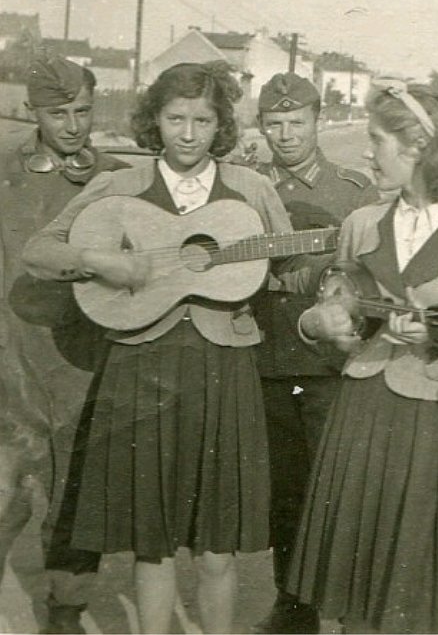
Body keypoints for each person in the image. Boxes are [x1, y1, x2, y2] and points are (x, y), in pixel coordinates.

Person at [22, 61, 296, 634]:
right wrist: (102, 261)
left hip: (225, 368)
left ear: (221, 123)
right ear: (156, 120)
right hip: (142, 367)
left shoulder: (251, 187)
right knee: (155, 543)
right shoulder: (119, 186)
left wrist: (332, 272)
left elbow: (292, 264)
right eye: (176, 119)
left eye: (203, 120)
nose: (189, 134)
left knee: (219, 548)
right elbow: (39, 252)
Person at [285, 80, 438, 634]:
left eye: (378, 140)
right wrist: (324, 326)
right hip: (361, 406)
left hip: (437, 416)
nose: (369, 152)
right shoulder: (361, 224)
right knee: (353, 588)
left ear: (417, 146)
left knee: (417, 591)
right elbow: (339, 310)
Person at [0, 56, 129, 634]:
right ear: (33, 112)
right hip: (13, 357)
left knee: (78, 492)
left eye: (82, 110)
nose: (73, 124)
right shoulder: (4, 172)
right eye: (59, 114)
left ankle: (65, 610)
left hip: (86, 359)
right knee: (10, 490)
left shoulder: (120, 178)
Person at [251, 72, 377, 635]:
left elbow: (375, 271)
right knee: (285, 489)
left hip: (332, 366)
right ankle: (293, 602)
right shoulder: (246, 188)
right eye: (274, 124)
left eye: (296, 122)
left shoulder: (353, 192)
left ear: (317, 120)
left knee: (341, 485)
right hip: (268, 359)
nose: (285, 135)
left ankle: (347, 602)